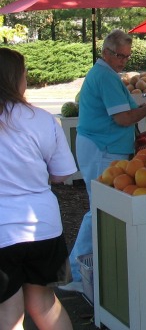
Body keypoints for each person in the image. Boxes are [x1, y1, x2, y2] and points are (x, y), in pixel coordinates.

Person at [61, 30, 146, 293]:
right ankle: (78, 273)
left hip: (102, 146)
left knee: (100, 207)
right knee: (99, 208)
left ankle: (83, 269)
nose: (123, 61)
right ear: (106, 52)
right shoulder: (104, 76)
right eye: (119, 56)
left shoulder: (106, 74)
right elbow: (122, 119)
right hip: (102, 148)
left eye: (127, 57)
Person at [0, 48, 77, 329]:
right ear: (17, 78)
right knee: (44, 305)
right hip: (42, 226)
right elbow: (62, 174)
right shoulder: (43, 119)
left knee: (9, 313)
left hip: (2, 232)